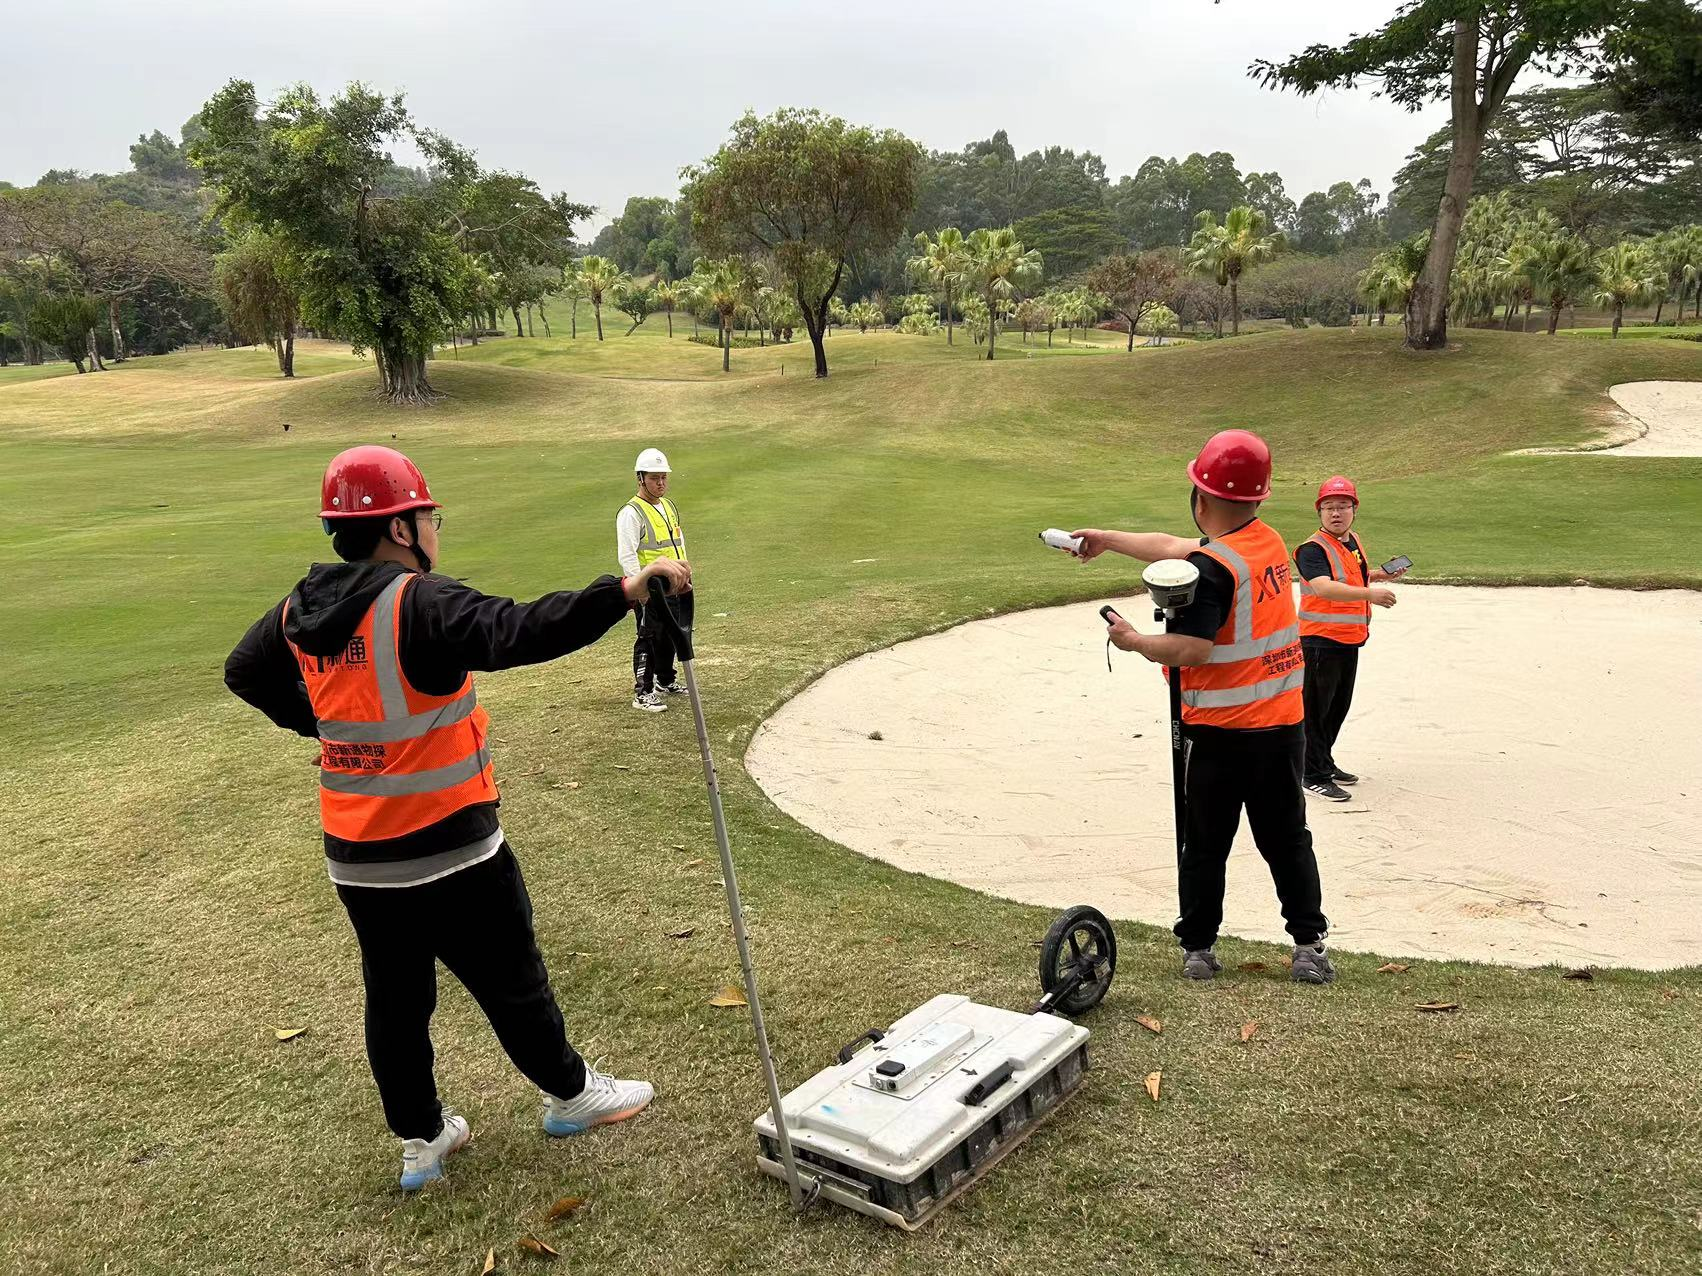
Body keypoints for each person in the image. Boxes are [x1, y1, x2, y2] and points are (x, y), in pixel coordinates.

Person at [223, 445, 692, 1191]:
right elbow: (517, 630)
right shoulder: (418, 601)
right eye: (428, 516)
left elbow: (242, 671)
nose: (435, 529)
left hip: (356, 854)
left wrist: (325, 727)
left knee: (396, 998)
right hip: (450, 848)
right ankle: (572, 1096)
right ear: (402, 530)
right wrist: (624, 591)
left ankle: (423, 1140)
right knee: (513, 979)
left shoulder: (298, 608)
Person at [1070, 429, 1335, 985]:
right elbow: (1176, 548)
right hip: (1283, 725)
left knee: (1205, 841)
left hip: (1220, 731)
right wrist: (1109, 539)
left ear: (1201, 499)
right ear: (1255, 499)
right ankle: (1309, 944)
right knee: (1287, 838)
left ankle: (1198, 946)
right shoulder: (1262, 541)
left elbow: (1192, 647)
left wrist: (1137, 641)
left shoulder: (1213, 569)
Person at [1293, 476, 1403, 802]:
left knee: (1336, 708)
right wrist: (1372, 593)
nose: (1335, 513)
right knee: (1315, 711)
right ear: (1320, 512)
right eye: (1329, 507)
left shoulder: (1351, 541)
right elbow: (1324, 586)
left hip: (1347, 639)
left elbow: (1349, 575)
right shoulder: (1311, 549)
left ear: (1354, 509)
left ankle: (1322, 763)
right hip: (1319, 641)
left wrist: (1380, 574)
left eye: (1342, 506)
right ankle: (1311, 774)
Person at [617, 447, 692, 713]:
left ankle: (665, 680)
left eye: (663, 477)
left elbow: (676, 543)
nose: (660, 483)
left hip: (673, 585)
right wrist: (639, 589)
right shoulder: (631, 512)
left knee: (671, 635)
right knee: (648, 636)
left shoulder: (668, 506)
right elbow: (627, 554)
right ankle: (643, 692)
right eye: (654, 478)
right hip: (649, 589)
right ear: (640, 478)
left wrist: (684, 573)